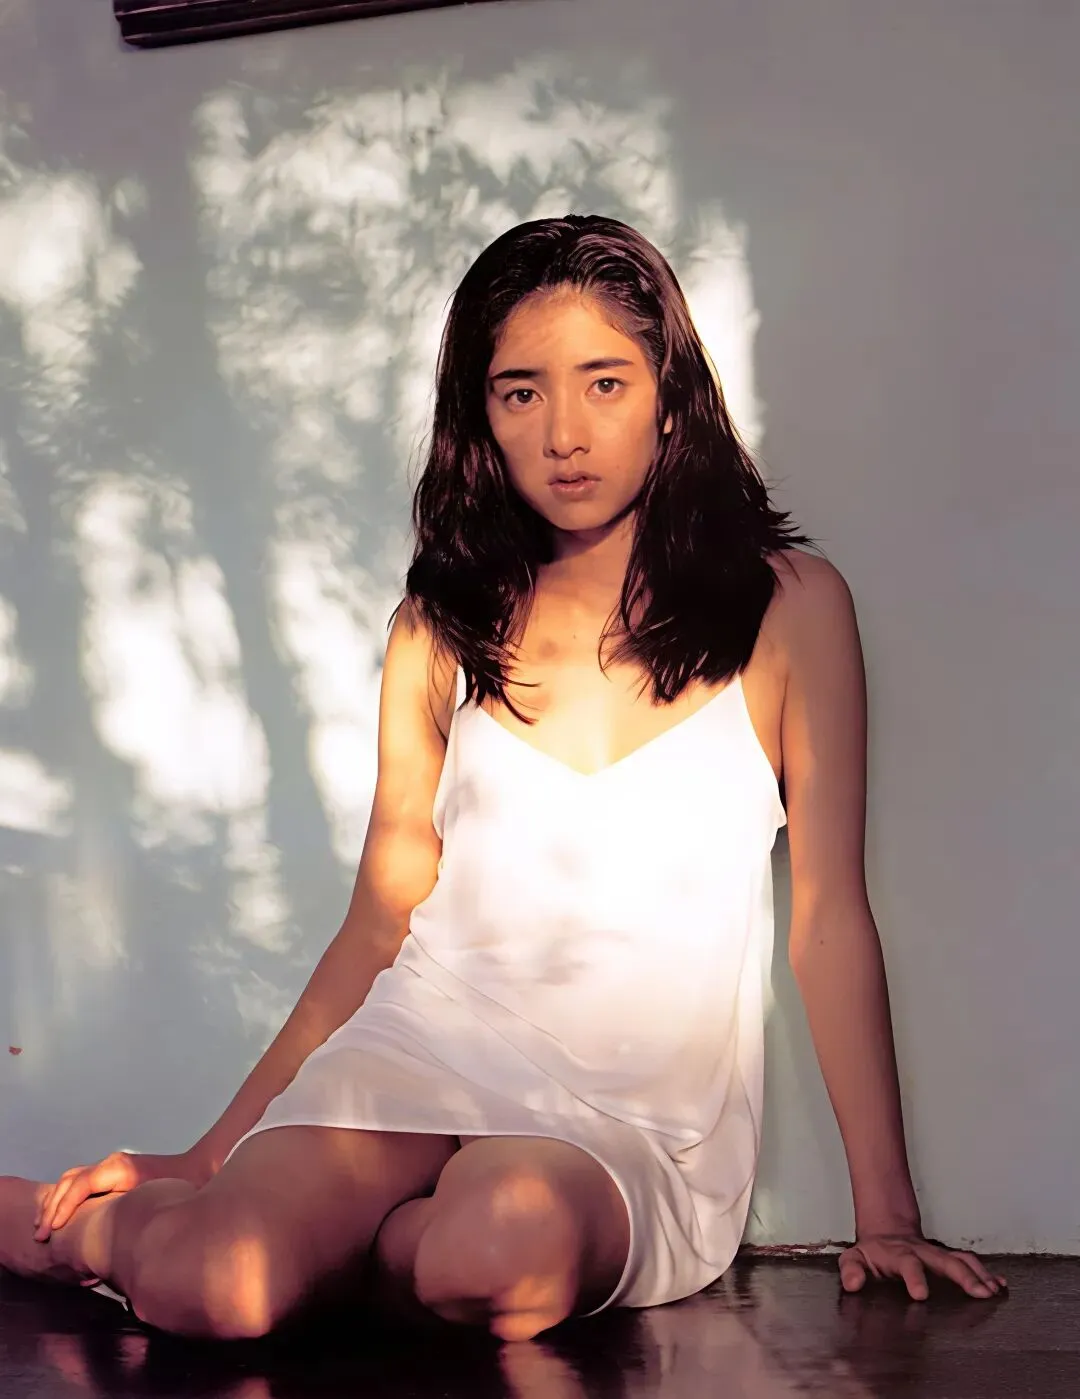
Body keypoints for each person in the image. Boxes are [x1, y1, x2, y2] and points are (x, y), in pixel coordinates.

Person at [0, 214, 1006, 1343]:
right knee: (212, 1284)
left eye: (605, 383)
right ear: (480, 415)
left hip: (630, 1117)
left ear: (671, 397)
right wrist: (209, 1152)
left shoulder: (790, 607)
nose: (565, 434)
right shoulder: (439, 626)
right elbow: (381, 918)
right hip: (420, 1049)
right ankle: (61, 1231)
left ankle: (355, 1243)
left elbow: (825, 919)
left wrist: (888, 1214)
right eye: (521, 392)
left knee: (494, 1252)